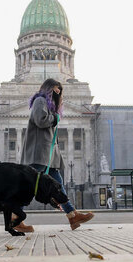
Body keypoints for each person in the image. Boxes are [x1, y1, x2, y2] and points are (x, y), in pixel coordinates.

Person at [15, 78, 94, 232]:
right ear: (48, 89)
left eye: (60, 91)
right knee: (28, 187)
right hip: (39, 153)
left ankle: (73, 216)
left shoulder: (49, 105)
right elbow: (41, 120)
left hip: (49, 156)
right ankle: (15, 218)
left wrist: (55, 110)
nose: (58, 93)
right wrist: (55, 117)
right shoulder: (39, 101)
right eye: (56, 90)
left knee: (58, 187)